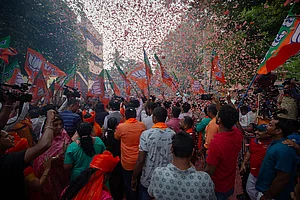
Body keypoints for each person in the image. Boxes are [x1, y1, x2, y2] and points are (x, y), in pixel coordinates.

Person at [0, 109, 56, 199]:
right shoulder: (11, 160)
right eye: (7, 136)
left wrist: (8, 104)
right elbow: (44, 145)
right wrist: (49, 120)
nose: (12, 137)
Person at [148, 131, 216, 200]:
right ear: (192, 152)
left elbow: (151, 193)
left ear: (171, 149)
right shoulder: (204, 179)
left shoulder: (158, 174)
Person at [131, 106, 176, 200]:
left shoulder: (146, 135)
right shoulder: (173, 134)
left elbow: (140, 160)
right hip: (167, 179)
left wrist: (134, 177)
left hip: (148, 179)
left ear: (154, 118)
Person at [204, 104, 243, 200]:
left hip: (218, 187)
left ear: (219, 120)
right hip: (229, 183)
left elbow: (210, 171)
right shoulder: (238, 133)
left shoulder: (216, 143)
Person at [256, 118, 298, 200]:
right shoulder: (276, 143)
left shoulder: (283, 150)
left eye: (270, 125)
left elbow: (282, 178)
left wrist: (267, 196)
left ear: (278, 131)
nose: (266, 126)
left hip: (274, 196)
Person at [33, 115, 72, 200]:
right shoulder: (46, 140)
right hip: (50, 175)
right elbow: (43, 161)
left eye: (60, 124)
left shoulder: (64, 134)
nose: (59, 127)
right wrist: (61, 154)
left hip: (63, 173)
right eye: (55, 125)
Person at [114, 107, 146, 200]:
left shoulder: (121, 127)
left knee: (129, 186)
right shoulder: (142, 126)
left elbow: (116, 137)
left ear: (125, 116)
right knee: (139, 183)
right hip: (140, 161)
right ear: (135, 115)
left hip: (127, 163)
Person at [239, 124, 271, 200]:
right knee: (249, 190)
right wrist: (244, 163)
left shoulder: (271, 144)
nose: (256, 132)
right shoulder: (253, 141)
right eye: (256, 130)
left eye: (260, 131)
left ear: (267, 133)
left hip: (265, 174)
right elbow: (250, 152)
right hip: (253, 172)